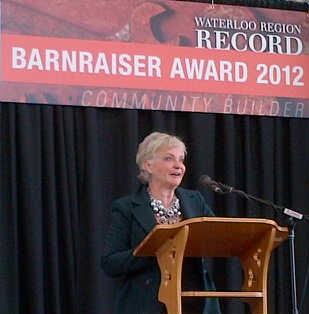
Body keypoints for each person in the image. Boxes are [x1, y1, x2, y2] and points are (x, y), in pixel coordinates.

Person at [102, 132, 221, 314]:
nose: (178, 166)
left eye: (181, 160)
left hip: (195, 301)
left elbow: (221, 236)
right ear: (148, 165)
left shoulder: (195, 201)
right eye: (169, 158)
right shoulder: (126, 207)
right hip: (147, 304)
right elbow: (110, 262)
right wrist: (153, 250)